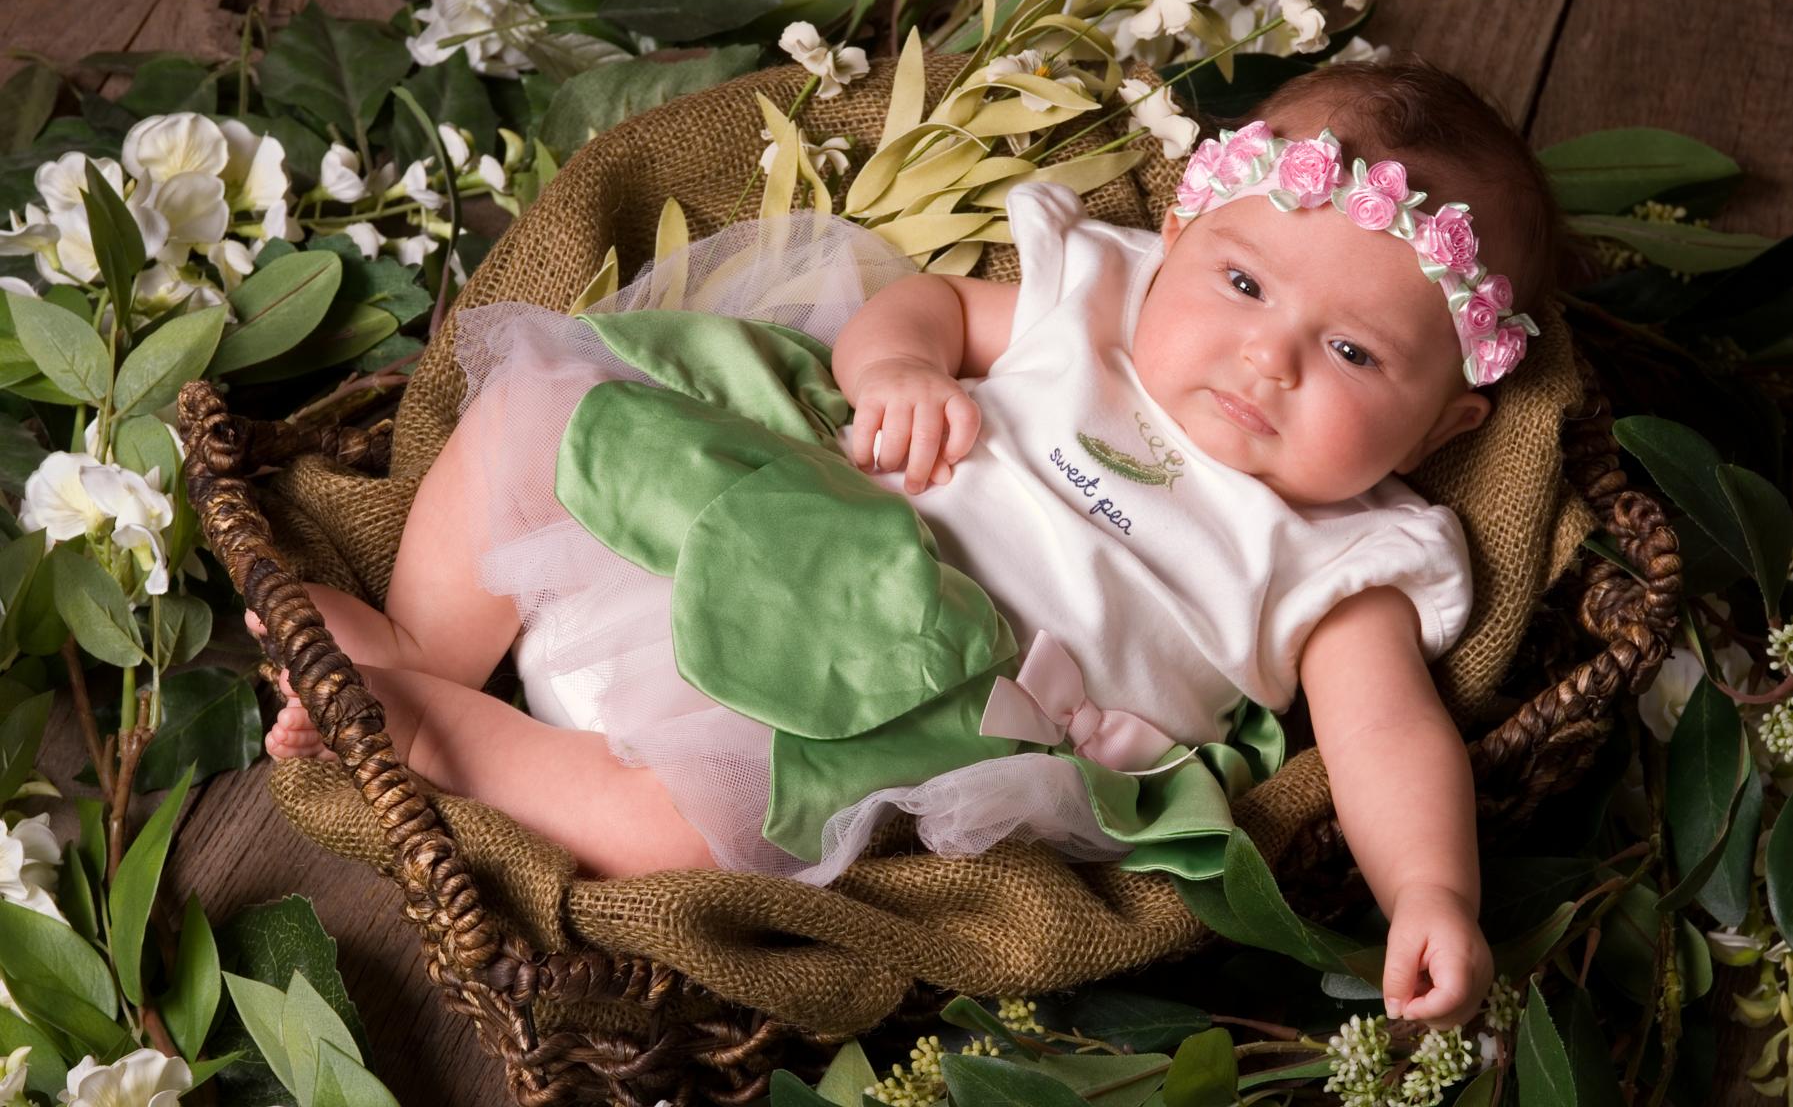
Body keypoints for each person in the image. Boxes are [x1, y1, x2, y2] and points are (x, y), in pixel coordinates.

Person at [257, 57, 1563, 1029]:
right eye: (1241, 282)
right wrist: (898, 373)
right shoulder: (1094, 307)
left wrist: (1430, 895)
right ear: (1178, 239)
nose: (1266, 356)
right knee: (543, 412)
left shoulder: (1344, 560)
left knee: (705, 835)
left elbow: (1389, 737)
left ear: (1445, 420)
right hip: (790, 520)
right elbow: (922, 302)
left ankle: (433, 730)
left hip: (910, 705)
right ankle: (427, 637)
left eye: (1352, 353)